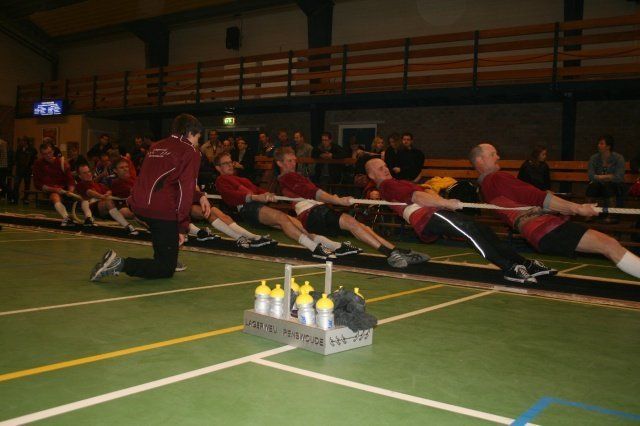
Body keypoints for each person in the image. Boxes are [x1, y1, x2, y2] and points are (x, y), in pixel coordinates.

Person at [365, 157, 552, 284]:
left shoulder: (395, 183)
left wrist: (436, 197)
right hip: (429, 217)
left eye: (385, 165)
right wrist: (446, 202)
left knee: (482, 230)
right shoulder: (388, 185)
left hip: (436, 212)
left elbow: (424, 191)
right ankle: (509, 268)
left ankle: (525, 264)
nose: (386, 169)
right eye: (380, 169)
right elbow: (417, 197)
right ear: (372, 175)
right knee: (471, 233)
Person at [469, 143, 640, 279]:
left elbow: (522, 206)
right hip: (548, 229)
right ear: (480, 160)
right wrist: (578, 208)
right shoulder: (497, 178)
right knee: (609, 245)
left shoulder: (484, 189)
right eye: (493, 154)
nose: (498, 157)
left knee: (608, 245)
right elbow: (539, 198)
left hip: (538, 235)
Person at [90, 113, 210, 281]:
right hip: (161, 209)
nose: (197, 142)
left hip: (138, 205)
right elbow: (185, 190)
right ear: (190, 133)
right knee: (165, 269)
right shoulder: (190, 151)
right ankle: (119, 264)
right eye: (198, 138)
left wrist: (200, 196)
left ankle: (168, 255)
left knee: (164, 242)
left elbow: (163, 179)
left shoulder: (156, 146)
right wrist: (182, 226)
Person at [276, 148, 428, 268]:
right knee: (352, 223)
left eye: (294, 160)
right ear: (279, 163)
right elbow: (314, 193)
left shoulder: (292, 177)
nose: (293, 163)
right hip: (312, 214)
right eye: (289, 161)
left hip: (317, 211)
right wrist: (338, 200)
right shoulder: (288, 177)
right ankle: (391, 254)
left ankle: (396, 251)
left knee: (360, 226)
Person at [214, 152, 337, 259]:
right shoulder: (221, 180)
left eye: (230, 162)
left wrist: (267, 194)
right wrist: (254, 197)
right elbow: (230, 196)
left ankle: (333, 245)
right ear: (218, 167)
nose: (230, 165)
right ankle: (315, 248)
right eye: (225, 163)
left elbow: (257, 190)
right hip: (248, 208)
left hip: (256, 206)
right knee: (282, 218)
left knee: (295, 223)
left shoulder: (241, 179)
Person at [75, 163, 138, 234]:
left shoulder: (99, 185)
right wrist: (101, 196)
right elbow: (90, 192)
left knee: (132, 213)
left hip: (109, 208)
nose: (88, 174)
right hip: (94, 208)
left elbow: (109, 191)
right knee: (108, 201)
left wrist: (108, 193)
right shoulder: (80, 185)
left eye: (89, 172)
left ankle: (147, 228)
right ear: (80, 176)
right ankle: (128, 226)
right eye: (84, 173)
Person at [32, 142, 77, 226]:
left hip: (65, 190)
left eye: (49, 152)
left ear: (53, 151)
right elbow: (37, 184)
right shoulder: (38, 164)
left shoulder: (62, 162)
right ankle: (66, 218)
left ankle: (88, 218)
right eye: (45, 154)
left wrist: (70, 191)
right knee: (54, 196)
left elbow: (70, 180)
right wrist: (54, 189)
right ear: (41, 154)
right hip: (50, 191)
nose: (48, 155)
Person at [586, 134, 626, 223]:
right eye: (598, 143)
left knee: (608, 187)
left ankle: (612, 215)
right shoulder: (594, 158)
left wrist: (598, 177)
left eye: (601, 143)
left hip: (615, 186)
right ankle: (589, 214)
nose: (598, 145)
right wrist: (609, 176)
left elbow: (619, 177)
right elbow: (591, 176)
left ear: (608, 146)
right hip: (598, 185)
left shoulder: (619, 158)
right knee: (592, 187)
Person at [11, 137, 37, 204]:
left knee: (27, 185)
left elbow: (34, 158)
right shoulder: (19, 149)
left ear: (26, 142)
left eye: (23, 141)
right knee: (16, 184)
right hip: (19, 170)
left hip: (27, 170)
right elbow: (15, 158)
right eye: (21, 141)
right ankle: (15, 199)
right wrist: (16, 164)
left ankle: (26, 199)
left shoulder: (32, 150)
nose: (21, 142)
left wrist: (32, 166)